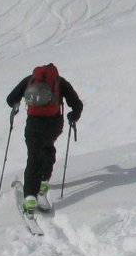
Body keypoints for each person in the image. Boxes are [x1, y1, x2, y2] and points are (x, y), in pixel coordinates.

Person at [6, 61, 84, 212]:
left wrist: (17, 105)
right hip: (54, 125)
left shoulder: (29, 80)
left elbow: (11, 99)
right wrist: (73, 116)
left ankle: (30, 198)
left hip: (34, 125)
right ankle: (43, 183)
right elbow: (77, 105)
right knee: (48, 149)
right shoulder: (60, 82)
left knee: (33, 157)